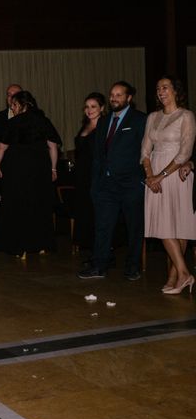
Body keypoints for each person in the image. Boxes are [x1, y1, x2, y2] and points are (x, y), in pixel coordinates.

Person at [77, 81, 147, 280]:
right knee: (103, 225)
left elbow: (147, 151)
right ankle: (100, 265)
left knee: (134, 226)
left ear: (129, 98)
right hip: (105, 186)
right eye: (112, 94)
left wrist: (142, 179)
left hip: (130, 183)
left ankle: (133, 266)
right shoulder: (105, 120)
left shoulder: (140, 120)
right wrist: (96, 184)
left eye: (119, 94)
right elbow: (99, 154)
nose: (114, 98)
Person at [141, 75, 196, 294]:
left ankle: (176, 275)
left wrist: (161, 175)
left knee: (178, 226)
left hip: (176, 174)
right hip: (154, 173)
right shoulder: (152, 117)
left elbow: (185, 152)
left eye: (165, 87)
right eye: (158, 88)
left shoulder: (186, 116)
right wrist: (149, 174)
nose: (161, 92)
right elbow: (145, 150)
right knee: (163, 226)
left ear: (176, 91)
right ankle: (184, 273)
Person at [0, 91, 61, 257]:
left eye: (14, 105)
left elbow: (1, 147)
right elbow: (53, 147)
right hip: (40, 169)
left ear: (22, 105)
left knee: (18, 205)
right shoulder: (44, 121)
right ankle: (42, 244)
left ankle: (20, 247)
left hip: (18, 169)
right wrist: (53, 169)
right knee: (39, 205)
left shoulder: (13, 123)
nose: (12, 108)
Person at [74, 92, 106, 252]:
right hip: (82, 175)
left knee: (97, 213)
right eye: (87, 107)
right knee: (85, 211)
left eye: (93, 106)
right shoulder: (85, 126)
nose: (89, 110)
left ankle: (101, 250)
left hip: (97, 175)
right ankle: (90, 249)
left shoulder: (105, 126)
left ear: (102, 108)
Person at [0, 84, 22, 159]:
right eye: (9, 95)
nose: (11, 97)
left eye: (15, 95)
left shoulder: (31, 117)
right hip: (3, 162)